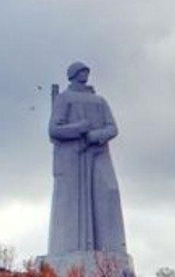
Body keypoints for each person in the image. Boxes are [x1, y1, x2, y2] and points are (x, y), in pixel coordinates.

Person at [46, 61, 127, 257]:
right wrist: (78, 128)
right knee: (72, 202)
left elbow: (112, 128)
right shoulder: (64, 99)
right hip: (72, 158)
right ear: (73, 75)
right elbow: (54, 130)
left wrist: (95, 136)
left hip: (97, 153)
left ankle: (110, 252)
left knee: (108, 193)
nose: (85, 74)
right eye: (81, 71)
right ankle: (68, 250)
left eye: (86, 71)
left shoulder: (100, 101)